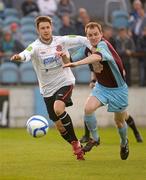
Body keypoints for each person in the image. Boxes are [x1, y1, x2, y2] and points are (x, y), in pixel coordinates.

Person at [10, 16, 92, 161]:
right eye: (42, 28)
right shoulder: (35, 46)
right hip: (47, 89)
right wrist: (19, 57)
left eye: (48, 27)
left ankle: (76, 146)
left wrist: (95, 46)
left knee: (59, 109)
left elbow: (82, 39)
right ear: (38, 30)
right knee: (59, 126)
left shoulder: (61, 41)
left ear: (51, 27)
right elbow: (26, 53)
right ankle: (76, 143)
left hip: (64, 81)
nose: (46, 30)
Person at [63, 21, 139, 160]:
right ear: (86, 36)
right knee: (88, 108)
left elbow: (96, 57)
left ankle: (124, 142)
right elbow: (69, 59)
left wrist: (76, 64)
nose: (93, 37)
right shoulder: (86, 47)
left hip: (118, 90)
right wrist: (62, 54)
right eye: (90, 35)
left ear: (101, 34)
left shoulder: (104, 45)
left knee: (119, 122)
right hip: (102, 87)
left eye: (96, 34)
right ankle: (95, 138)